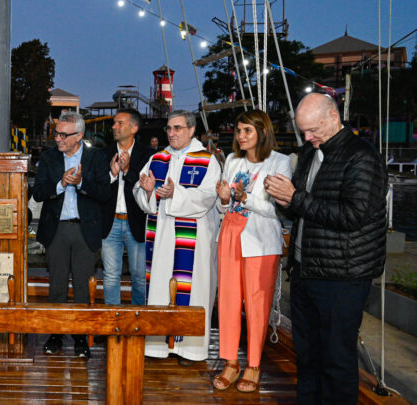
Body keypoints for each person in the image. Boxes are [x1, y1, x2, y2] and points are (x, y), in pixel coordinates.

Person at [265, 93, 387, 404]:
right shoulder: (310, 153)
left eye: (313, 130)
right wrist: (284, 203)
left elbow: (353, 217)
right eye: (303, 131)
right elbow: (304, 209)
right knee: (307, 356)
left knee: (337, 359)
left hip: (342, 276)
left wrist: (295, 199)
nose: (307, 138)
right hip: (307, 272)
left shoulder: (362, 156)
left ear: (333, 118)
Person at [212, 110, 291, 393]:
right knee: (229, 302)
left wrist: (245, 197)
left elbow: (276, 208)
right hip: (230, 234)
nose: (241, 136)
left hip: (260, 239)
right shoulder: (232, 160)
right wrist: (223, 200)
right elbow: (224, 205)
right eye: (238, 131)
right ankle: (230, 361)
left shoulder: (280, 162)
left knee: (257, 305)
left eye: (247, 131)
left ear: (262, 132)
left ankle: (254, 365)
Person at [133, 110, 220, 365]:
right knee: (159, 284)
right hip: (160, 235)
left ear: (192, 130)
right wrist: (149, 192)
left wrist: (174, 194)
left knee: (194, 290)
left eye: (178, 128)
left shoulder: (207, 160)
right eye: (169, 128)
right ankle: (159, 345)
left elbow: (206, 198)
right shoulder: (157, 158)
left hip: (193, 236)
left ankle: (190, 349)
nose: (171, 133)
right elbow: (140, 189)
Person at [34, 111, 110, 358]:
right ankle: (55, 334)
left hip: (84, 231)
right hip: (57, 231)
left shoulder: (96, 158)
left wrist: (80, 184)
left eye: (63, 134)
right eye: (56, 133)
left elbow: (104, 194)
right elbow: (38, 193)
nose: (58, 138)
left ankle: (80, 338)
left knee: (81, 288)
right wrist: (62, 184)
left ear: (79, 135)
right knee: (56, 286)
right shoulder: (48, 158)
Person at [101, 108, 154, 305]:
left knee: (140, 277)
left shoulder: (148, 155)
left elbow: (146, 186)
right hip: (111, 222)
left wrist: (128, 170)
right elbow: (98, 190)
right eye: (114, 123)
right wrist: (113, 176)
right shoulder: (103, 153)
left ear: (134, 128)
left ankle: (137, 324)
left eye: (120, 123)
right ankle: (112, 324)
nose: (114, 126)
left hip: (137, 223)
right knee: (111, 276)